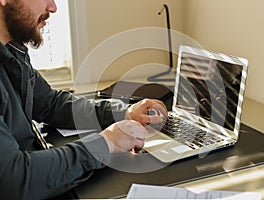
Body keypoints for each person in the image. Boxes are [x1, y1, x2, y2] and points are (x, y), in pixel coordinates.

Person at [0, 0, 168, 199]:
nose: (53, 7)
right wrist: (106, 143)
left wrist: (124, 112)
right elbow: (15, 179)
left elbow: (50, 103)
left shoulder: (11, 52)